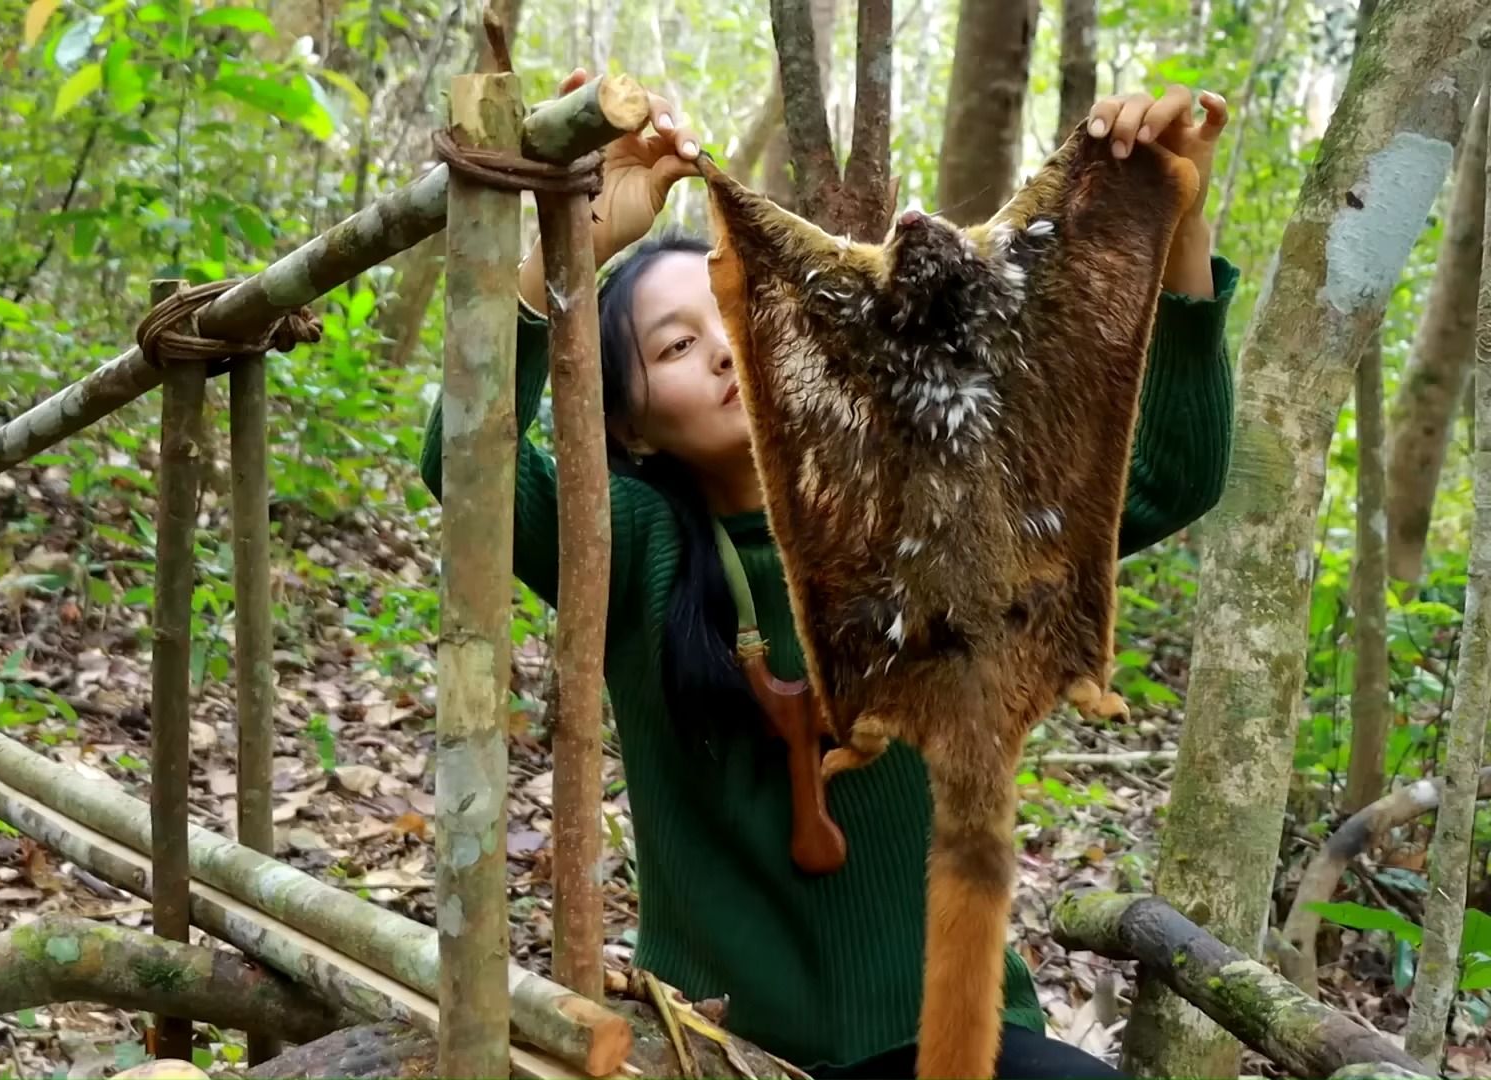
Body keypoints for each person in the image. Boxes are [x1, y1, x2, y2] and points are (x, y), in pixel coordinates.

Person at [420, 70, 1239, 1079]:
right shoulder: (626, 544)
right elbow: (465, 467)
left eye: (734, 318)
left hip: (946, 1036)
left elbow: (1168, 474)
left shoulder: (926, 505)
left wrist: (1177, 224)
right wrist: (573, 256)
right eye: (677, 344)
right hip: (717, 1042)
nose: (724, 354)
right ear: (628, 422)